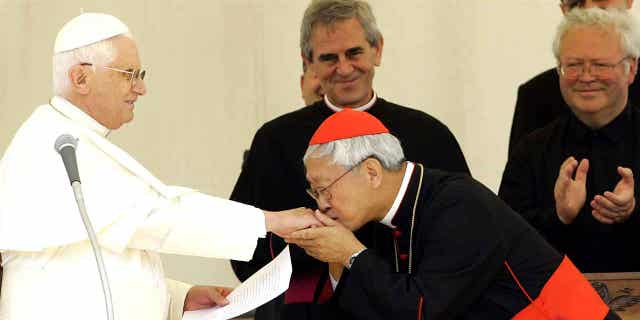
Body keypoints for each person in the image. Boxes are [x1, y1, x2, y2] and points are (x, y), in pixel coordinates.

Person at [0, 12, 319, 320]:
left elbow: (95, 261)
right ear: (81, 77)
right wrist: (270, 221)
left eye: (140, 76)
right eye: (129, 75)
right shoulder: (56, 145)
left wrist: (178, 297)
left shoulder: (75, 139)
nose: (140, 89)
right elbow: (157, 216)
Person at [229, 1, 469, 319]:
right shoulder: (275, 140)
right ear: (308, 62)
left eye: (353, 53)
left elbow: (460, 239)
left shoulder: (429, 134)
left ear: (377, 50)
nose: (344, 68)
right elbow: (243, 246)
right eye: (329, 58)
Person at [285, 108, 617, 319]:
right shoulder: (376, 217)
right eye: (315, 191)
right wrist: (336, 256)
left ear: (371, 172)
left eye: (325, 187)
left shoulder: (459, 205)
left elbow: (423, 309)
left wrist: (351, 254)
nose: (321, 202)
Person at [499, 8, 640, 272]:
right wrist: (559, 217)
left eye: (600, 65)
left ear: (631, 69)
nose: (586, 77)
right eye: (573, 65)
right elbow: (502, 242)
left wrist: (632, 212)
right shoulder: (531, 150)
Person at [507, 0, 637, 156]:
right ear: (563, 9)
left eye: (601, 65)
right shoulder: (536, 96)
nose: (589, 10)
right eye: (576, 4)